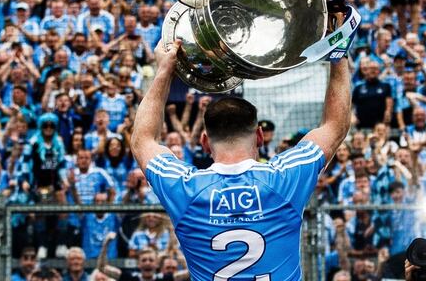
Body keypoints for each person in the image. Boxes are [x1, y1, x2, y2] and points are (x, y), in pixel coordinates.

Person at [131, 38, 353, 280]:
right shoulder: (284, 178)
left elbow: (142, 140)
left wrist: (164, 68)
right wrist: (338, 50)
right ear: (259, 136)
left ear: (205, 142)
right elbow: (335, 126)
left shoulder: (185, 187)